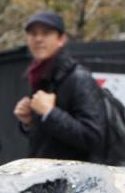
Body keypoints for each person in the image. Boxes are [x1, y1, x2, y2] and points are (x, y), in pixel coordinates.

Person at [13, 10, 105, 161]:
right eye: (33, 33)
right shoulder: (39, 77)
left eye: (46, 33)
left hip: (74, 181)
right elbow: (50, 140)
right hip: (46, 177)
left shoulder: (78, 78)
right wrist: (29, 122)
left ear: (61, 39)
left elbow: (93, 138)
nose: (38, 39)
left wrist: (50, 113)